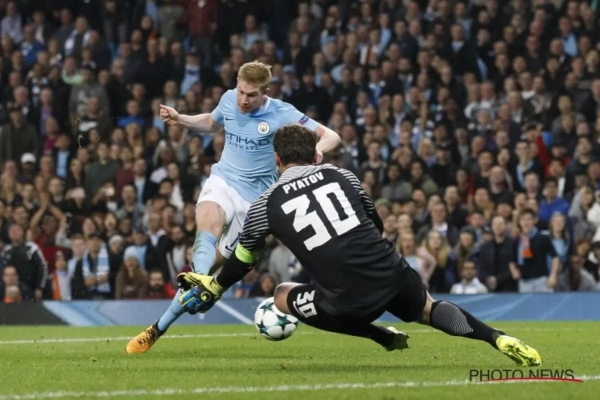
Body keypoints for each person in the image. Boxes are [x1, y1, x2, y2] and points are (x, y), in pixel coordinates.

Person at [174, 125, 542, 367]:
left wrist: (216, 288)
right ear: (315, 155)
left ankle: (377, 333)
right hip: (389, 270)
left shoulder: (266, 203)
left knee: (283, 294)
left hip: (346, 298)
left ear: (277, 159)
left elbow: (242, 260)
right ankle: (496, 338)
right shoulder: (341, 174)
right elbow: (375, 223)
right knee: (429, 309)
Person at [125, 61, 341, 354]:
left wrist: (318, 149)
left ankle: (161, 323)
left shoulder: (283, 113)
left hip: (254, 203)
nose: (243, 99)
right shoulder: (228, 99)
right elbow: (212, 122)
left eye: (251, 95)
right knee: (207, 222)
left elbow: (332, 136)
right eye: (241, 91)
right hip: (224, 179)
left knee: (209, 271)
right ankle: (173, 309)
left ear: (265, 92)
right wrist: (181, 118)